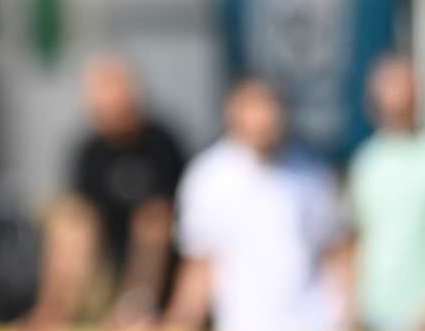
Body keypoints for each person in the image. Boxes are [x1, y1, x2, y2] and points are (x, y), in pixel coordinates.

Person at [164, 79, 347, 331]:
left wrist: (346, 318)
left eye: (270, 107)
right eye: (253, 108)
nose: (263, 118)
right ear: (232, 113)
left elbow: (335, 252)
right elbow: (200, 265)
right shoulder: (207, 177)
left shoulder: (313, 172)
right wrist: (180, 322)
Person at [25, 55, 185, 328]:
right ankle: (54, 312)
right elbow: (78, 226)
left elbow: (159, 222)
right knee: (69, 219)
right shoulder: (89, 152)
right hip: (112, 266)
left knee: (152, 222)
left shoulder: (161, 144)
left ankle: (135, 309)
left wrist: (136, 302)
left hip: (164, 273)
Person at [348, 55, 425, 330]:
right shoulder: (367, 161)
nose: (397, 96)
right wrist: (353, 307)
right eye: (389, 87)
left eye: (403, 86)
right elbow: (356, 238)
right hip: (375, 313)